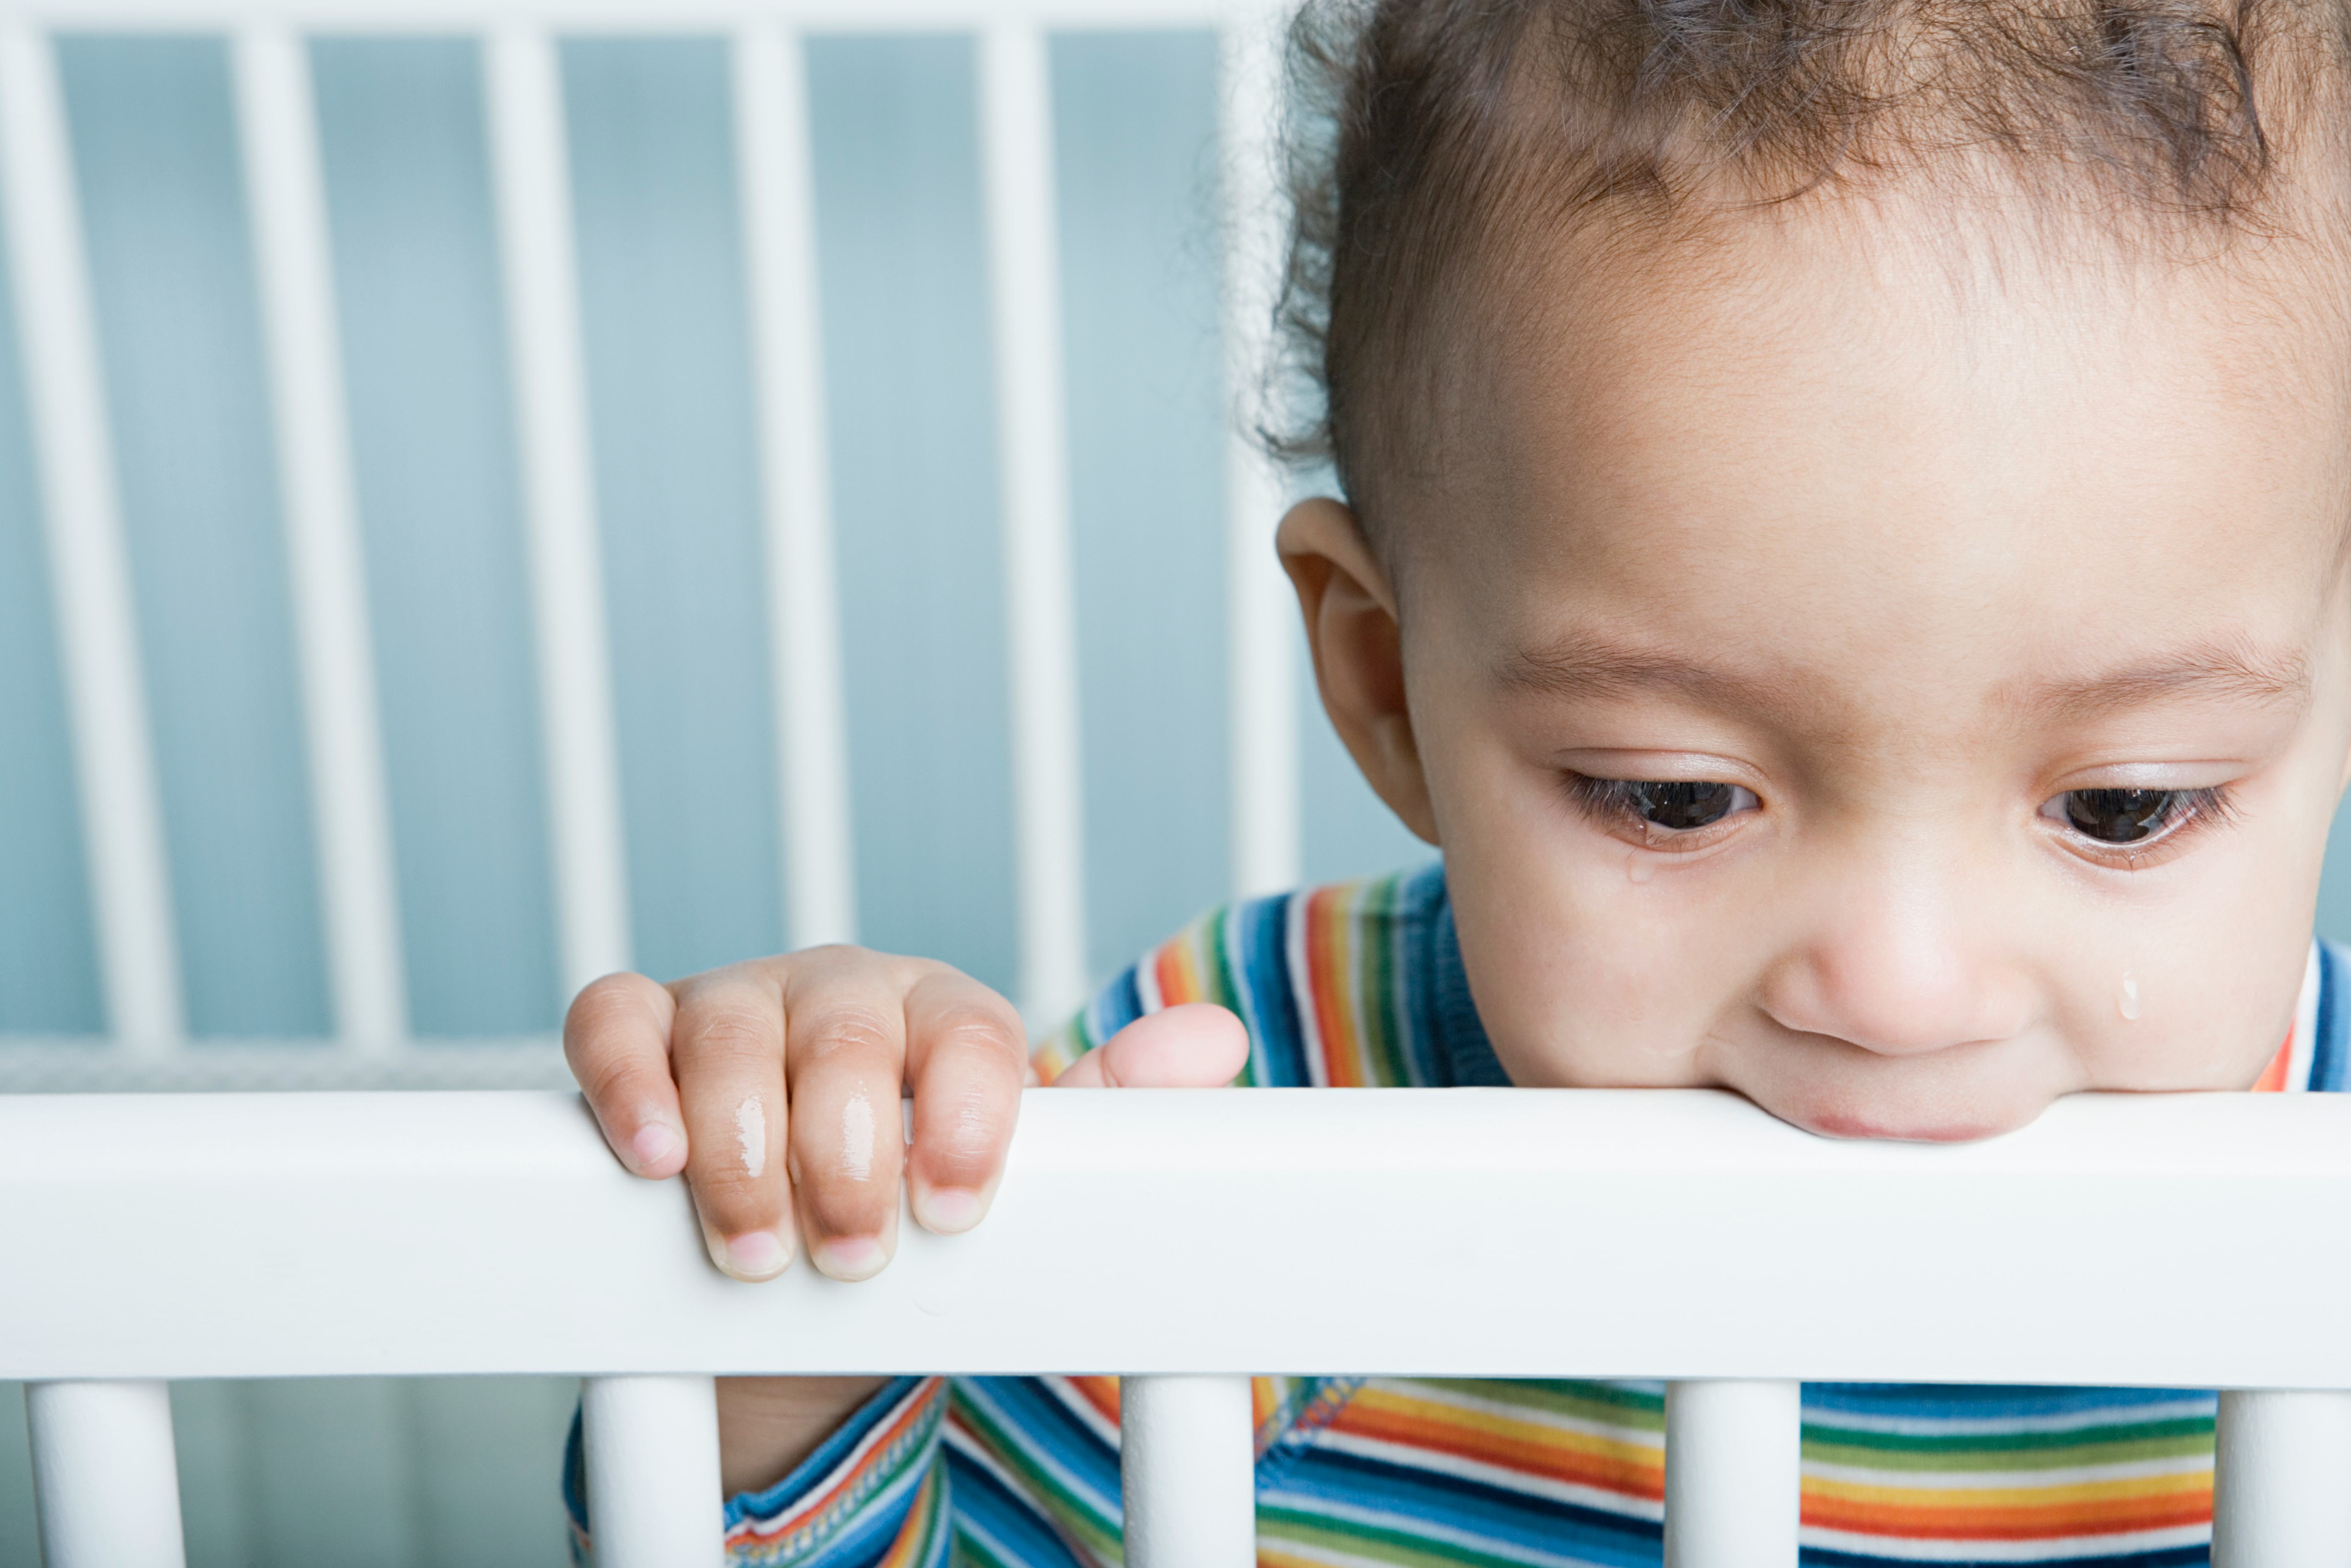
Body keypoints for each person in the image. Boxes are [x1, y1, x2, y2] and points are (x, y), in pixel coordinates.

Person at [560, 0, 2351, 1559]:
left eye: (2127, 805)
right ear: (1385, 686)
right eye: (1671, 795)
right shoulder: (1255, 1097)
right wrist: (789, 1336)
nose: (1897, 991)